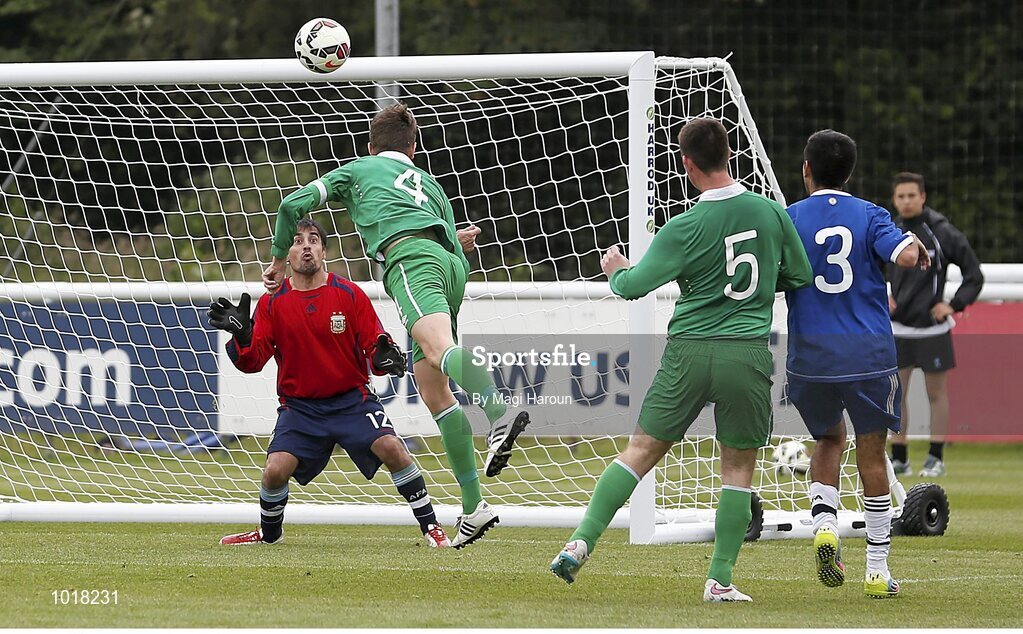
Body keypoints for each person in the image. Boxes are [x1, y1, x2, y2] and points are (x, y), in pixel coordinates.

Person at [549, 118, 813, 602]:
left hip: (689, 351)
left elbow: (632, 287)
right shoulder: (772, 213)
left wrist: (616, 269)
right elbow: (800, 275)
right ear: (730, 153)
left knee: (639, 452)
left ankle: (580, 541)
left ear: (687, 164)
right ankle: (720, 579)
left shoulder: (684, 227)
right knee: (737, 470)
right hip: (746, 354)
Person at [261, 102, 529, 549]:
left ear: (371, 146)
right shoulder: (429, 183)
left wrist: (275, 261)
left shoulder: (358, 169)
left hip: (411, 260)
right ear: (413, 147)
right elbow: (445, 239)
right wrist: (453, 243)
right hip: (452, 265)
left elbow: (293, 203)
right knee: (434, 387)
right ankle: (473, 506)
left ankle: (499, 412)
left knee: (437, 348)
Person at [211, 219, 450, 548]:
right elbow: (252, 362)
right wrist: (241, 335)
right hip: (300, 408)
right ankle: (269, 535)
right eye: (297, 241)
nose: (305, 245)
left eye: (313, 240)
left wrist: (384, 356)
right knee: (274, 471)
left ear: (323, 251)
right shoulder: (272, 303)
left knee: (393, 448)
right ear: (287, 255)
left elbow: (375, 348)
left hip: (352, 401)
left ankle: (432, 527)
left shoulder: (349, 294)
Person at [784, 131, 930, 599]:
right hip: (867, 356)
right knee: (871, 453)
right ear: (849, 174)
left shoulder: (788, 218)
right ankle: (875, 569)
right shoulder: (870, 214)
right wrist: (914, 248)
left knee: (828, 439)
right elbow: (903, 253)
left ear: (807, 170)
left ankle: (825, 524)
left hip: (809, 358)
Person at [888, 172, 984, 477]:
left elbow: (974, 275)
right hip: (897, 328)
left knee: (935, 394)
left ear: (923, 197)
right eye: (900, 196)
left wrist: (952, 305)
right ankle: (899, 457)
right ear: (894, 199)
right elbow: (869, 268)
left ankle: (935, 457)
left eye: (911, 195)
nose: (906, 201)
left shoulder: (942, 232)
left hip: (933, 329)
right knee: (895, 394)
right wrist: (881, 295)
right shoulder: (887, 230)